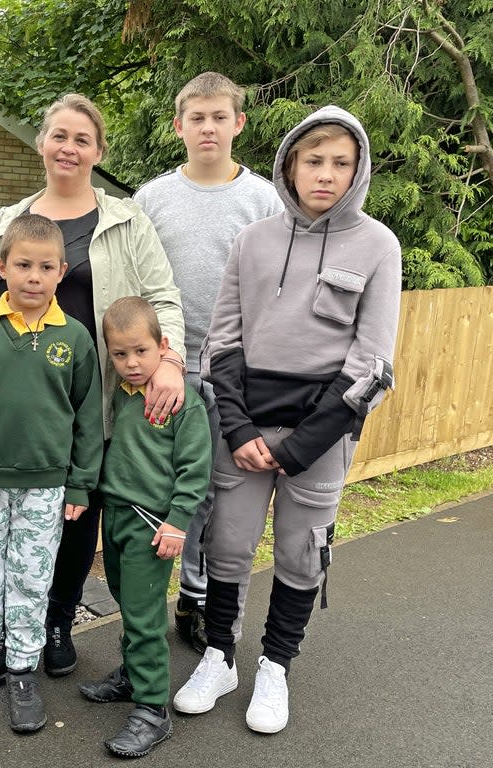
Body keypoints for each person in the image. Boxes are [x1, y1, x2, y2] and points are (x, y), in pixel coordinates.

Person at [172, 106, 401, 734]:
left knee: (302, 553)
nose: (325, 175)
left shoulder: (379, 245)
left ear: (358, 171)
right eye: (313, 161)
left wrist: (301, 445)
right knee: (227, 544)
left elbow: (373, 362)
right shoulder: (254, 240)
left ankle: (276, 664)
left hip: (320, 436)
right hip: (243, 430)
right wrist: (240, 432)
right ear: (290, 166)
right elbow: (219, 342)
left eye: (340, 163)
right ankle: (219, 655)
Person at [0, 93, 185, 677]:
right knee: (5, 522)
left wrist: (170, 360)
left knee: (74, 513)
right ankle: (8, 629)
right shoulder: (5, 224)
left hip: (94, 399)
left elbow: (162, 296)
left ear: (97, 152)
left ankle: (56, 619)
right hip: (16, 408)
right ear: (42, 142)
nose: (69, 147)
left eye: (82, 139)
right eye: (60, 135)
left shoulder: (125, 220)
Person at [0, 214, 104, 734]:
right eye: (23, 265)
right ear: (2, 267)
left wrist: (79, 482)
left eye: (45, 267)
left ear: (62, 272)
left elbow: (88, 417)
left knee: (32, 581)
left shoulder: (74, 338)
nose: (33, 276)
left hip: (47, 487)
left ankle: (24, 670)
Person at [134, 72, 284, 653]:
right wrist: (158, 358)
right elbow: (140, 285)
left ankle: (197, 598)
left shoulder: (262, 199)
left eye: (220, 117)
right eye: (197, 118)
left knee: (221, 489)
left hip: (233, 370)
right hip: (164, 367)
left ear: (238, 123)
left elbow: (272, 286)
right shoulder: (152, 198)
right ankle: (147, 602)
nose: (208, 127)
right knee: (167, 486)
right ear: (179, 126)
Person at [78, 297, 211, 758]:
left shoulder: (179, 404)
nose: (131, 363)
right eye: (119, 354)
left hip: (152, 528)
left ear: (163, 347)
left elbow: (195, 471)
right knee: (125, 599)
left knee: (144, 615)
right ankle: (133, 674)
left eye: (140, 351)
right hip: (114, 517)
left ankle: (153, 708)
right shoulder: (117, 396)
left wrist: (177, 524)